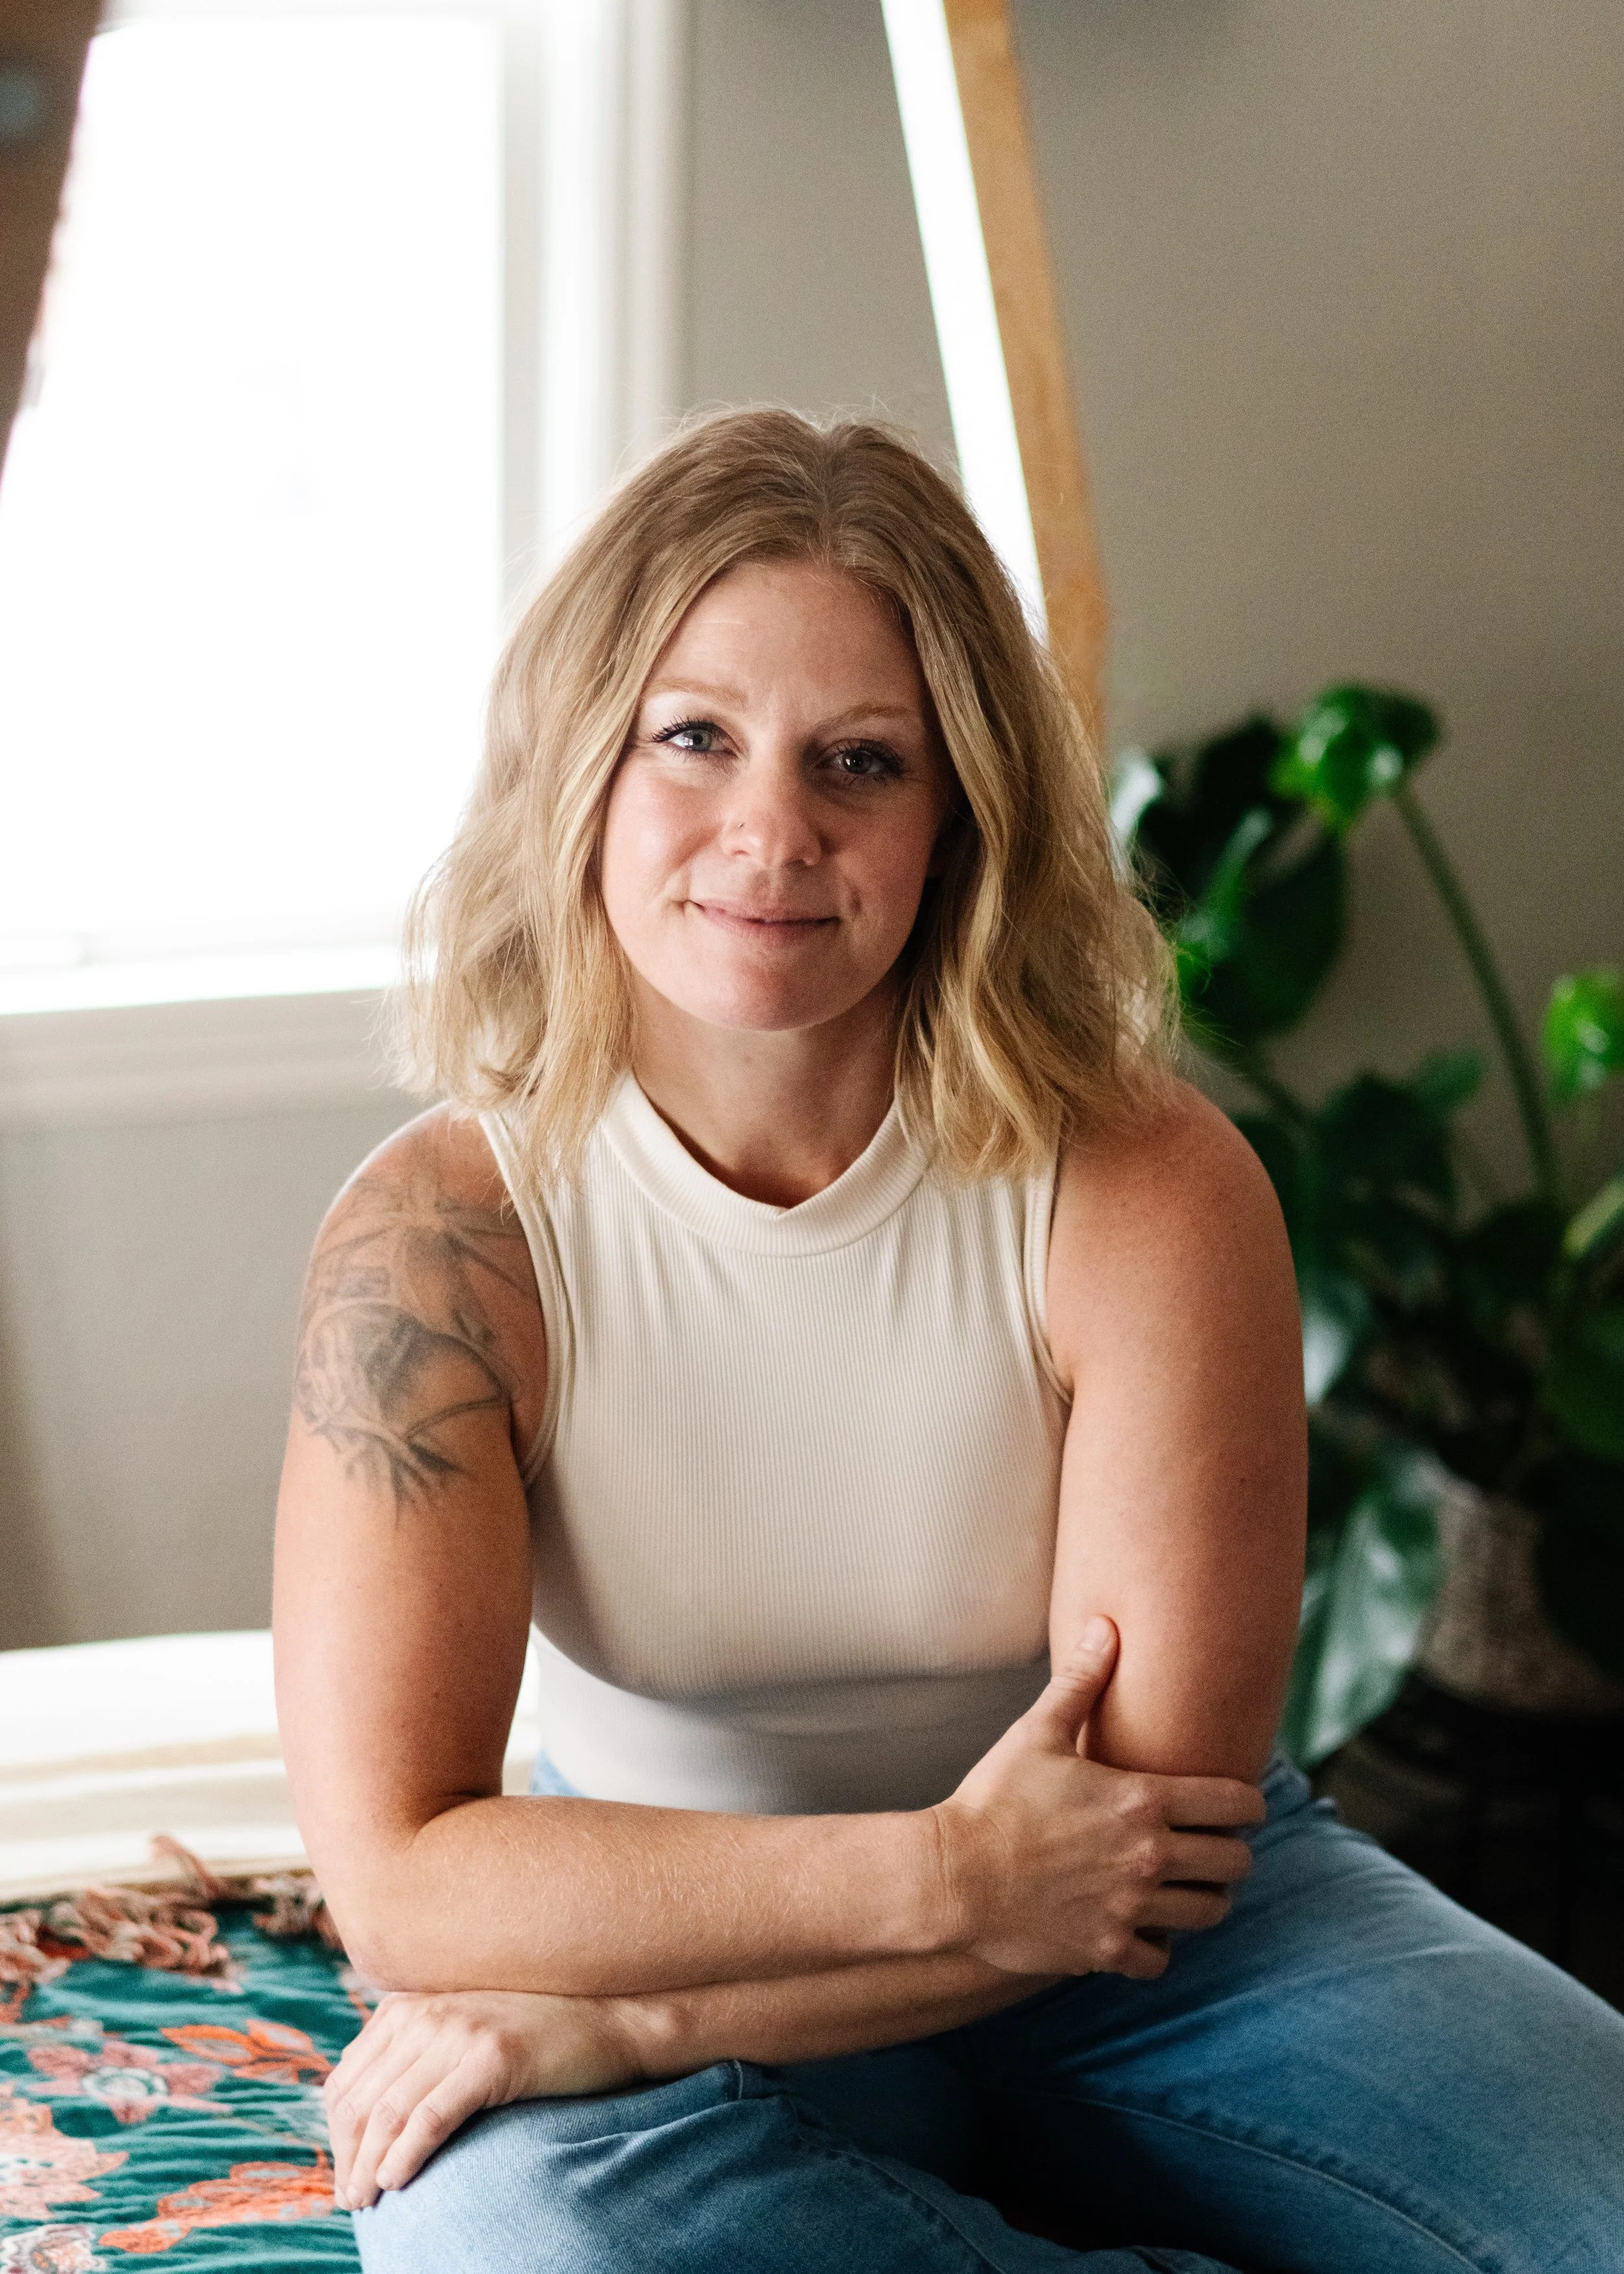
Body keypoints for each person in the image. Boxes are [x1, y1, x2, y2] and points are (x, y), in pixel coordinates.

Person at [273, 409, 1624, 2274]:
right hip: (692, 1898)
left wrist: (631, 2027)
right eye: (694, 738)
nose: (774, 831)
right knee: (527, 2247)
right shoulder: (441, 1242)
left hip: (1161, 1942)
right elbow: (408, 1879)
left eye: (861, 760)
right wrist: (937, 1874)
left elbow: (1134, 1848)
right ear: (577, 768)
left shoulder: (1147, 1183)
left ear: (958, 815)